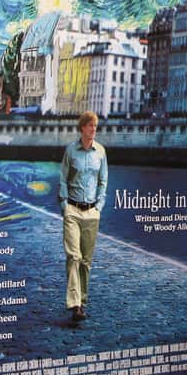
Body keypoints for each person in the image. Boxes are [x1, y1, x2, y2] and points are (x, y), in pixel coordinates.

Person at [59, 111, 108, 322]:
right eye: (90, 126)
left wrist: (99, 207)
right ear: (82, 128)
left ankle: (82, 302)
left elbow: (103, 182)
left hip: (92, 213)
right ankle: (74, 303)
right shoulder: (71, 150)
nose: (93, 129)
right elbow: (63, 178)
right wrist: (64, 205)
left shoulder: (101, 152)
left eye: (95, 126)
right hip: (72, 209)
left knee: (86, 261)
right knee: (74, 256)